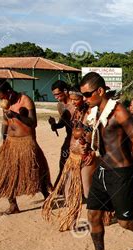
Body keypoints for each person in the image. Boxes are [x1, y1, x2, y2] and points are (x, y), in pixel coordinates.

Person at [79, 72, 133, 250]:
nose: (85, 99)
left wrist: (128, 167)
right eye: (83, 95)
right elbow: (102, 139)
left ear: (99, 91)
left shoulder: (119, 112)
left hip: (121, 173)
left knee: (125, 221)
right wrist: (87, 146)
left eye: (87, 94)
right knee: (93, 215)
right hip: (102, 170)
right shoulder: (96, 111)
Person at [0, 80, 51, 215]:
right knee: (7, 174)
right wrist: (3, 139)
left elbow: (33, 123)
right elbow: (5, 121)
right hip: (11, 143)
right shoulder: (5, 103)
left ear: (8, 92)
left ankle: (48, 199)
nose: (1, 99)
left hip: (26, 142)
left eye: (2, 96)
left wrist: (15, 115)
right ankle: (13, 205)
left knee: (36, 172)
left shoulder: (25, 100)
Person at [42, 87, 97, 231]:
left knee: (87, 191)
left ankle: (102, 215)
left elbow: (95, 130)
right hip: (73, 155)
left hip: (85, 156)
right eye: (72, 99)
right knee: (69, 190)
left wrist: (87, 138)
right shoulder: (76, 112)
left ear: (83, 98)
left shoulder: (91, 112)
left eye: (76, 99)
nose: (73, 102)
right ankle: (71, 220)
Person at [49, 80, 75, 188]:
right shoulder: (60, 105)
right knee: (63, 163)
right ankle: (60, 186)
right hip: (69, 139)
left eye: (58, 94)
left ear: (65, 91)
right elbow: (62, 123)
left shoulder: (76, 102)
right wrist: (54, 125)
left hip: (80, 140)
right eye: (54, 95)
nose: (56, 97)